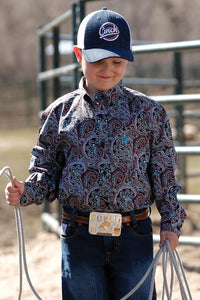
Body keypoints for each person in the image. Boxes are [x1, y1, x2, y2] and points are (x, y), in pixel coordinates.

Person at [5, 8, 186, 300]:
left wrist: (170, 222)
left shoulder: (149, 113)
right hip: (80, 236)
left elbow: (164, 172)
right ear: (79, 56)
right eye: (97, 60)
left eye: (117, 61)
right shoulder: (59, 114)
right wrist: (26, 190)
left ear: (127, 58)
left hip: (134, 233)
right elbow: (47, 169)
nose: (108, 69)